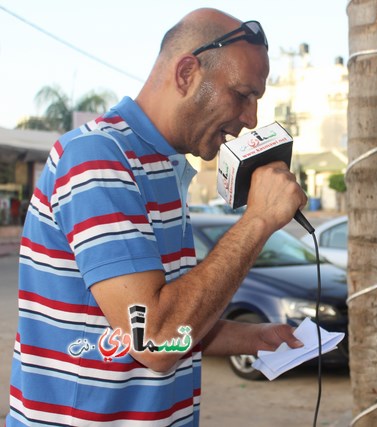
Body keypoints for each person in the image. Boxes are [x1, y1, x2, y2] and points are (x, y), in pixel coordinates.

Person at [8, 9, 307, 426]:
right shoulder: (98, 158)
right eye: (242, 94)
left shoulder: (163, 168)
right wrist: (258, 221)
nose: (251, 118)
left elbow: (160, 323)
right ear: (186, 73)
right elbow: (155, 338)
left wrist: (254, 338)